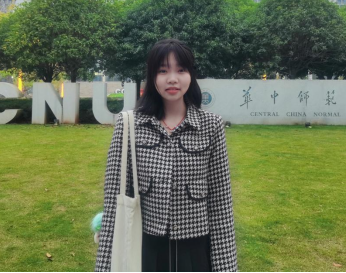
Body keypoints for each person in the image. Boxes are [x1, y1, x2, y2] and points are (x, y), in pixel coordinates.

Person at [95, 38, 238, 272]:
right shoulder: (129, 124)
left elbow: (221, 203)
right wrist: (104, 265)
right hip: (145, 248)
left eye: (181, 70)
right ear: (152, 77)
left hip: (195, 251)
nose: (172, 79)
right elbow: (113, 201)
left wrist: (226, 267)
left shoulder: (211, 126)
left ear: (191, 75)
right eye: (163, 71)